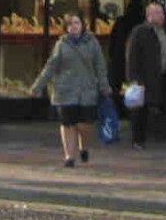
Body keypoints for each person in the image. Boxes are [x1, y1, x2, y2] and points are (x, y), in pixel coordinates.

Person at [29, 12, 111, 168]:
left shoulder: (92, 43)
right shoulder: (62, 44)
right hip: (65, 90)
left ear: (82, 25)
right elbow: (51, 66)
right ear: (66, 28)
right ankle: (69, 156)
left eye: (77, 23)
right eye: (70, 24)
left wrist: (104, 85)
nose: (74, 26)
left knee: (84, 124)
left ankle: (83, 145)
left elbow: (100, 66)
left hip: (86, 90)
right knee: (67, 123)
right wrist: (38, 86)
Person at [123, 1, 166, 150]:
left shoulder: (165, 31)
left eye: (162, 13)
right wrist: (134, 79)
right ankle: (138, 140)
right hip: (144, 78)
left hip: (164, 76)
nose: (161, 16)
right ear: (149, 15)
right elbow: (132, 56)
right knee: (140, 110)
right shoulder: (140, 32)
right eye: (157, 13)